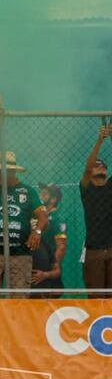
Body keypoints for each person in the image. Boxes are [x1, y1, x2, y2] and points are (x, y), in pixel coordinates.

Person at [0, 150, 43, 298]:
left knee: (19, 299)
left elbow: (42, 216)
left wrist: (37, 232)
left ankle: (14, 322)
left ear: (11, 172)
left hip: (20, 253)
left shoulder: (28, 191)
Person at [83, 124, 112, 293]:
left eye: (104, 165)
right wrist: (100, 140)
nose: (101, 166)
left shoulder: (110, 186)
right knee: (95, 296)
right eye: (97, 165)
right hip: (94, 251)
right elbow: (87, 167)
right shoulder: (87, 188)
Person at [31, 182, 67, 291]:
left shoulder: (57, 218)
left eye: (44, 193)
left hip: (47, 266)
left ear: (53, 199)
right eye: (40, 192)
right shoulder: (37, 215)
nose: (40, 195)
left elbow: (61, 247)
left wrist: (49, 270)